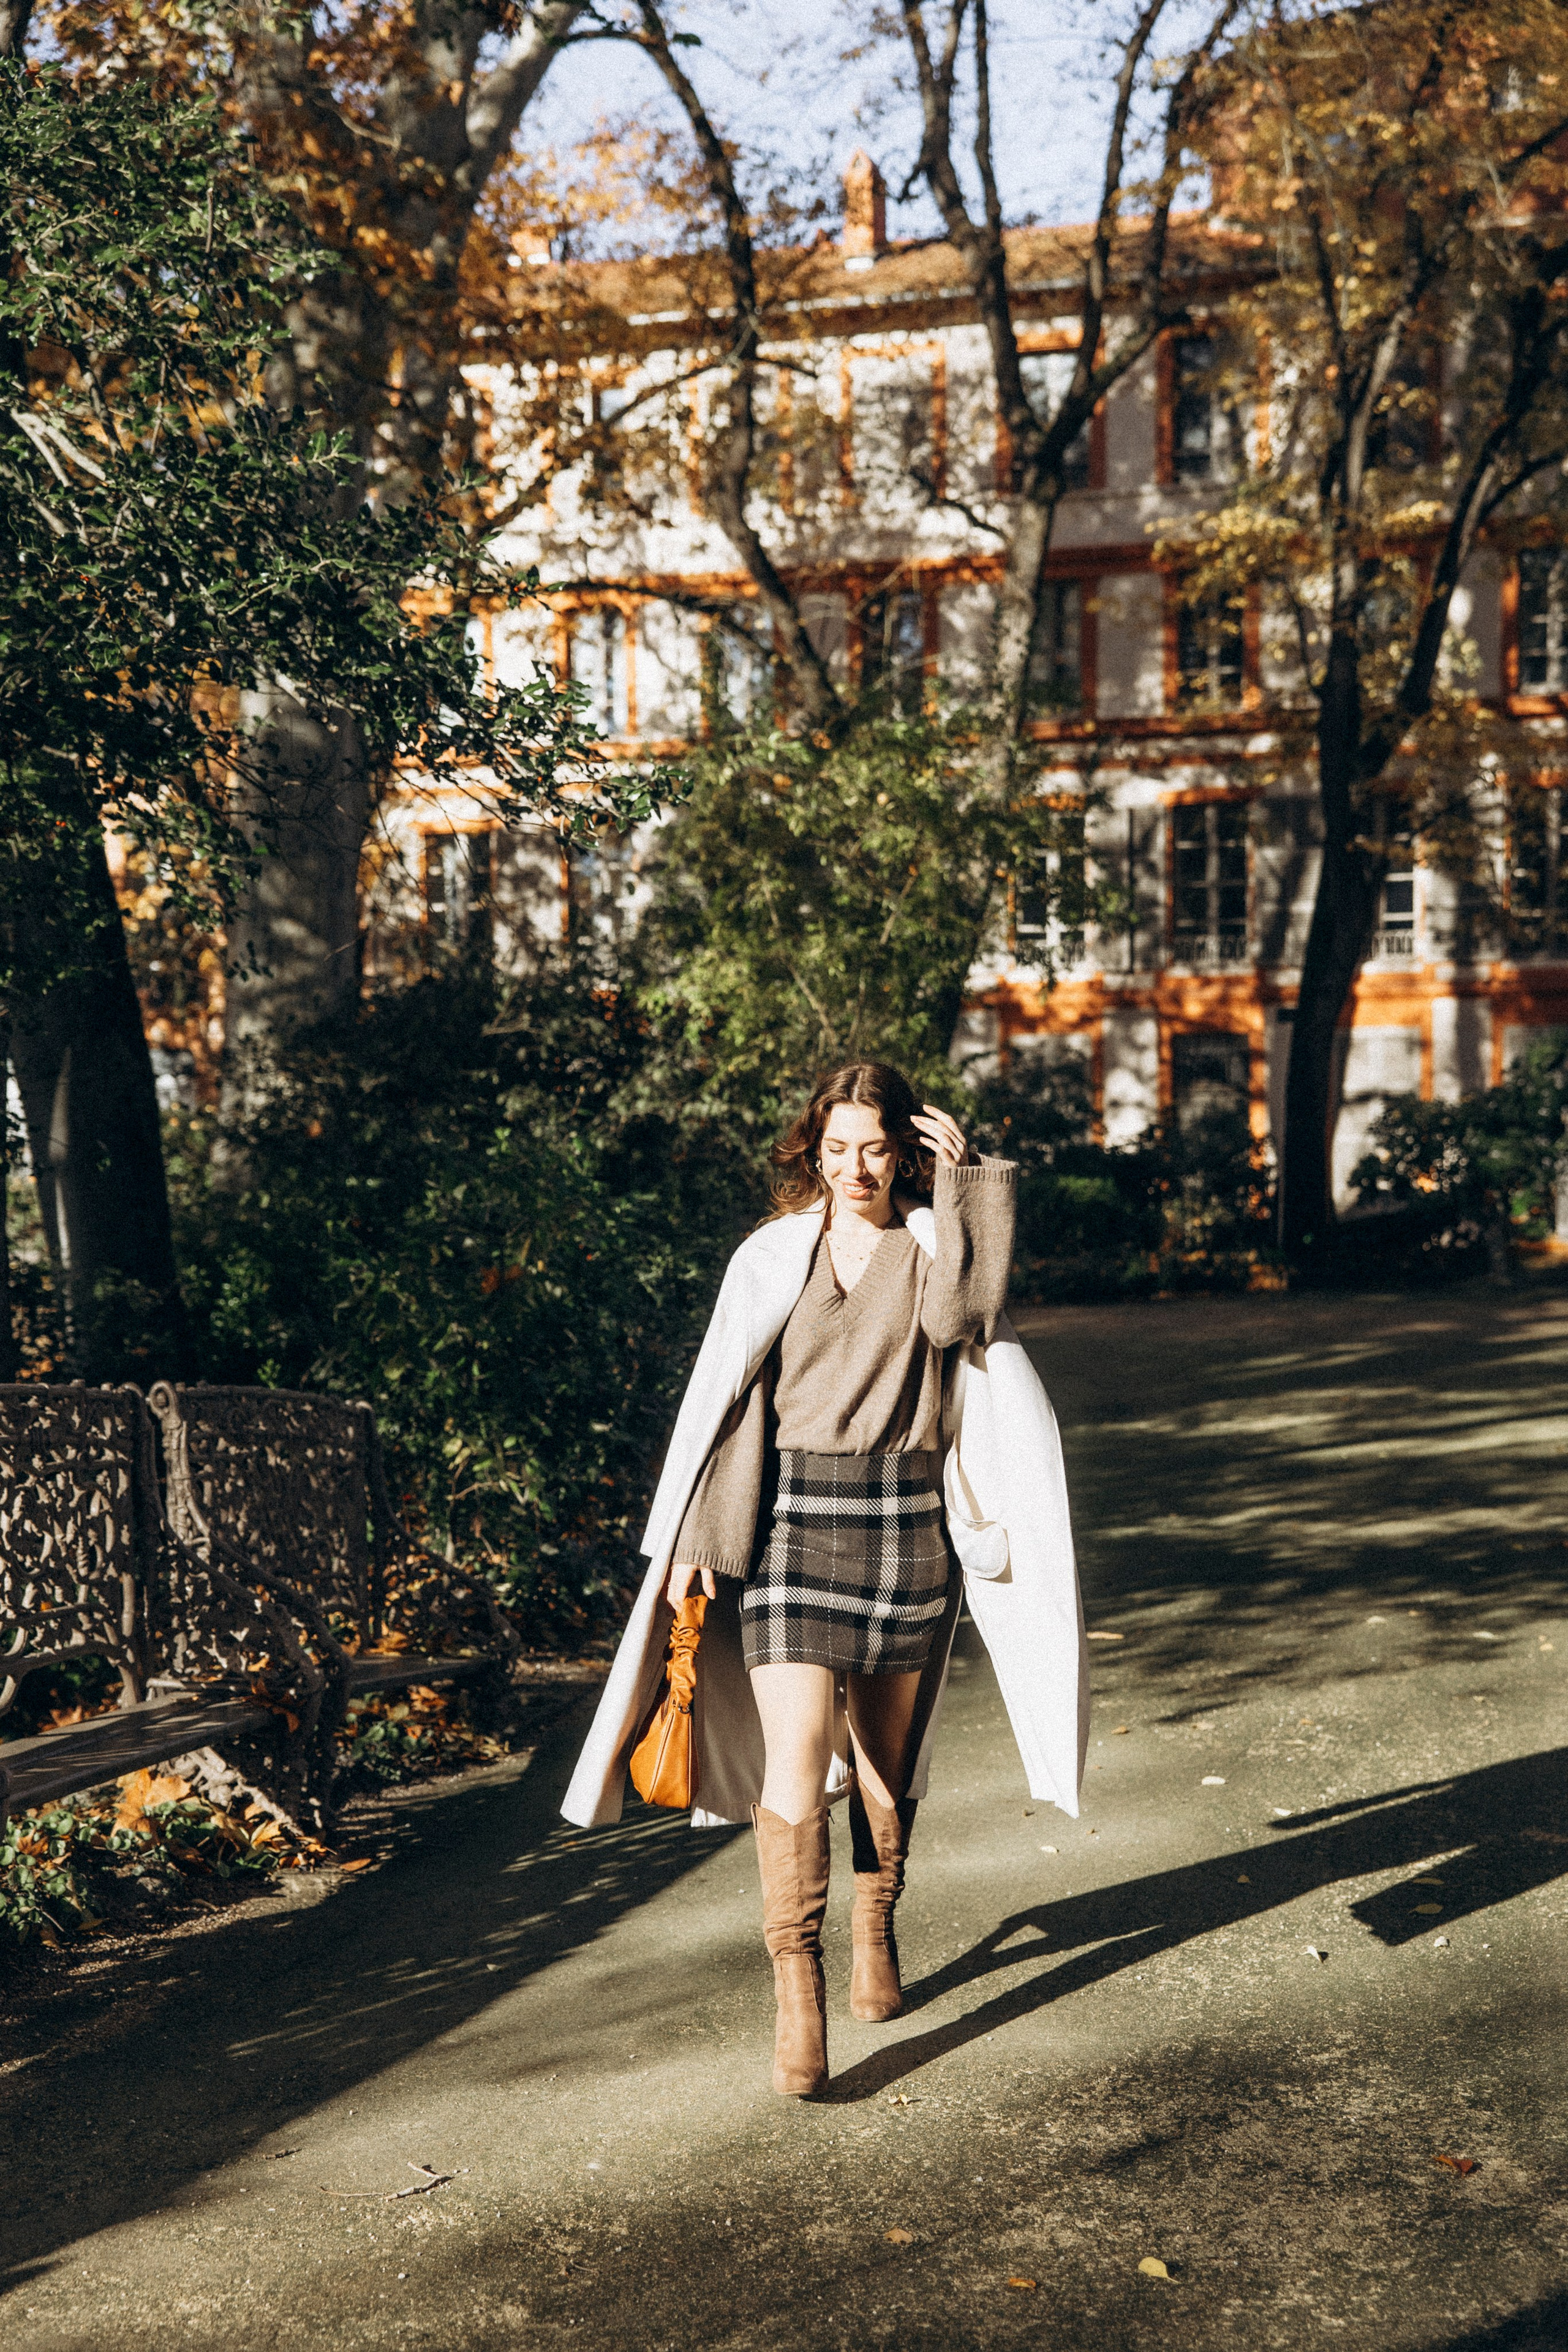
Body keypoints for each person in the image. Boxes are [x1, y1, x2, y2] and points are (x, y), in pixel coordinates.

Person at [562, 1060, 1087, 2100]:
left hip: (904, 1528)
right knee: (795, 1758)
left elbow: (962, 1324)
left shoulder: (933, 1245)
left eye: (876, 1148)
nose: (853, 1169)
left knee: (886, 1766)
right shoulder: (769, 1257)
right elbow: (723, 1411)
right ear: (814, 1149)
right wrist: (689, 1549)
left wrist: (966, 1183)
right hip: (789, 1529)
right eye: (836, 1149)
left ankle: (873, 1923)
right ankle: (796, 1995)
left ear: (905, 1150)